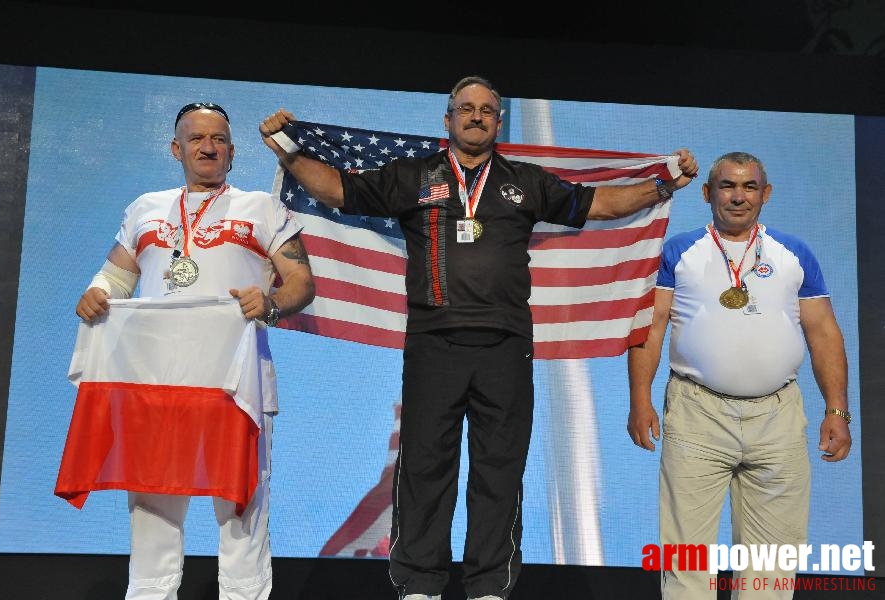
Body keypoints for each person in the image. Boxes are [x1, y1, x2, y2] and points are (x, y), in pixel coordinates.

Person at [259, 75, 698, 600]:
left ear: (498, 120)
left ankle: (488, 587)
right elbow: (339, 189)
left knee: (499, 470)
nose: (475, 116)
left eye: (486, 110)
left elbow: (598, 205)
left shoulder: (525, 181)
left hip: (506, 349)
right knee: (425, 467)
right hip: (433, 346)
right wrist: (288, 152)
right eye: (464, 109)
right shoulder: (413, 176)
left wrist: (662, 186)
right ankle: (420, 586)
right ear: (447, 120)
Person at [74, 102, 315, 599]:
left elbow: (301, 283)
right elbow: (117, 275)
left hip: (236, 385)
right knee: (152, 513)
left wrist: (270, 303)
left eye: (219, 139)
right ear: (176, 148)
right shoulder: (145, 208)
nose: (209, 147)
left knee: (242, 513)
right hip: (155, 386)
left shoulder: (262, 209)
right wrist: (99, 291)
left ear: (231, 150)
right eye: (197, 138)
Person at [627, 151, 852, 599]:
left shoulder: (794, 254)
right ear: (708, 194)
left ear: (765, 195)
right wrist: (639, 400)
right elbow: (650, 328)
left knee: (772, 565)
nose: (738, 196)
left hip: (778, 417)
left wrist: (838, 412)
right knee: (687, 559)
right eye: (727, 186)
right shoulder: (678, 251)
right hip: (697, 414)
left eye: (749, 187)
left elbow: (824, 332)